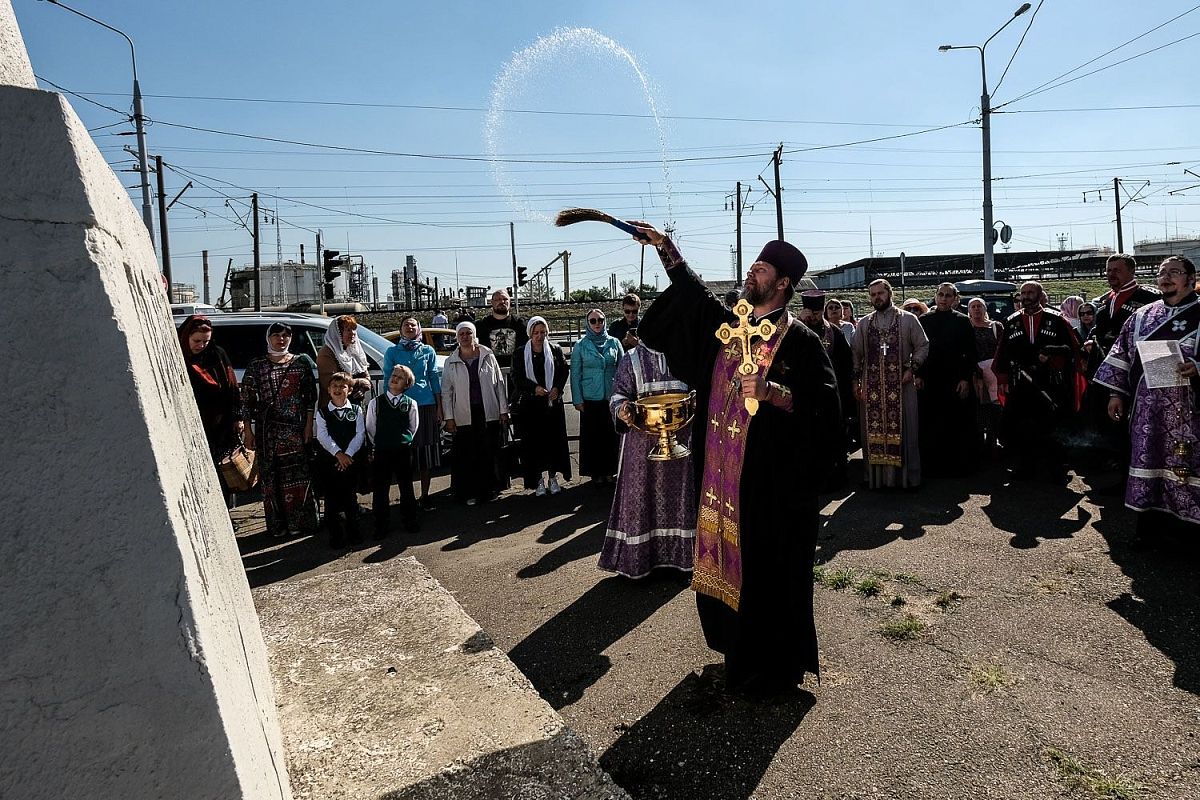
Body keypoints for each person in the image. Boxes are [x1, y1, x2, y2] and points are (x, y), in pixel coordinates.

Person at [633, 222, 841, 695]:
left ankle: (772, 668)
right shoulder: (730, 326)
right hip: (718, 482)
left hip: (768, 489)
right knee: (725, 567)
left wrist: (773, 392)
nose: (751, 272)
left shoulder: (800, 343)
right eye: (753, 265)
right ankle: (735, 652)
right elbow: (693, 294)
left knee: (766, 572)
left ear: (782, 283)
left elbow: (826, 411)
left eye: (761, 268)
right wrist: (667, 248)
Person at [1094, 256, 1200, 548]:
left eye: (1174, 272)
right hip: (1148, 414)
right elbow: (1121, 354)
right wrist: (1116, 393)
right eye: (1161, 273)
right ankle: (1151, 533)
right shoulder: (1141, 316)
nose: (1166, 277)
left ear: (1191, 279)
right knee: (1149, 465)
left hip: (1190, 413)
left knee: (1187, 470)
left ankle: (1189, 536)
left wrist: (1197, 367)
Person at [600, 342, 697, 578]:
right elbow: (618, 393)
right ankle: (640, 561)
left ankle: (682, 559)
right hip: (641, 448)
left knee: (681, 498)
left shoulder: (686, 353)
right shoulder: (632, 358)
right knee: (641, 498)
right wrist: (622, 408)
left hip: (682, 444)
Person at [992, 281, 1081, 481]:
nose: (1026, 296)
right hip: (1021, 383)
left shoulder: (1057, 319)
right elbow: (1002, 352)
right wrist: (1004, 377)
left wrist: (1052, 357)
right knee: (1021, 425)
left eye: (1030, 292)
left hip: (1051, 383)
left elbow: (1073, 349)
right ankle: (1025, 465)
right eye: (1023, 293)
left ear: (1040, 295)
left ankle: (1057, 468)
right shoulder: (1011, 320)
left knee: (1052, 425)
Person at [241, 322, 319, 537]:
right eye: (276, 335)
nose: (281, 339)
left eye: (286, 335)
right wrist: (248, 431)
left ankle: (300, 523)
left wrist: (308, 426)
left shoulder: (300, 363)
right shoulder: (257, 366)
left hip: (295, 429)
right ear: (268, 338)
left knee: (298, 476)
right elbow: (246, 401)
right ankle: (278, 525)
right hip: (268, 432)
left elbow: (310, 398)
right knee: (271, 478)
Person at [852, 280, 930, 490]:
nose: (877, 297)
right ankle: (876, 479)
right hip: (873, 387)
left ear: (890, 293)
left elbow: (923, 345)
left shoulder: (909, 319)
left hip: (902, 386)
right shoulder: (865, 323)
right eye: (873, 294)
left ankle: (907, 479)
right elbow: (856, 353)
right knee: (872, 431)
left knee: (907, 430)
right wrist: (856, 380)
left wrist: (912, 368)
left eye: (880, 293)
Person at [442, 321, 510, 506]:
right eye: (461, 334)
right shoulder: (451, 361)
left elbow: (499, 385)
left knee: (488, 452)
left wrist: (503, 410)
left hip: (487, 411)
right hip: (464, 414)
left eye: (468, 333)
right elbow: (447, 392)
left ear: (474, 335)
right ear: (457, 337)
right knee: (467, 455)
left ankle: (488, 490)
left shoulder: (488, 356)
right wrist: (449, 417)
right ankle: (469, 492)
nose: (465, 336)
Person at [177, 315, 244, 499]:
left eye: (206, 341)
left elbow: (232, 387)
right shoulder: (178, 358)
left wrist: (237, 417)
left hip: (220, 425)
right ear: (186, 337)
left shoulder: (217, 354)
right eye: (197, 341)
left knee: (222, 471)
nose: (201, 345)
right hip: (191, 424)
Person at [917, 283, 978, 476]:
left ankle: (956, 467)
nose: (943, 299)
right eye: (940, 295)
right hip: (930, 380)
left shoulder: (962, 321)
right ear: (935, 296)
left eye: (948, 296)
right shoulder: (924, 320)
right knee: (930, 424)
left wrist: (965, 379)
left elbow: (970, 353)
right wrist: (918, 374)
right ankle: (931, 467)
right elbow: (917, 349)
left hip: (954, 380)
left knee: (955, 424)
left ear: (955, 299)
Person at [383, 316, 442, 509]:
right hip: (401, 406)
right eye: (406, 324)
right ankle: (406, 498)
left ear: (419, 329)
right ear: (400, 329)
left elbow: (433, 377)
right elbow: (387, 379)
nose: (409, 327)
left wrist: (439, 406)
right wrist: (386, 405)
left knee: (425, 452)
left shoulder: (428, 350)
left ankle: (425, 495)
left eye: (413, 324)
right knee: (403, 453)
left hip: (425, 405)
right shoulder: (392, 352)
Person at [799, 290, 854, 487]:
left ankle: (834, 479)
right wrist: (801, 322)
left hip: (830, 395)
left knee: (832, 437)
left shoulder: (834, 332)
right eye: (809, 312)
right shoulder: (796, 330)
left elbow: (846, 364)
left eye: (816, 312)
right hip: (803, 395)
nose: (813, 316)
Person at [511, 316, 572, 495]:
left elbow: (563, 371)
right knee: (533, 444)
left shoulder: (555, 349)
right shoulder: (520, 352)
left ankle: (553, 477)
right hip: (530, 406)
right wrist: (534, 388)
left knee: (553, 442)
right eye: (536, 333)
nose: (539, 336)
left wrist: (557, 388)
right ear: (530, 333)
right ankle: (537, 480)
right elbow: (517, 377)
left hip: (551, 404)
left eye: (542, 332)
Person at [366, 365, 420, 539]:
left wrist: (403, 440)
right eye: (393, 375)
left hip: (402, 450)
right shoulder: (376, 403)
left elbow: (413, 427)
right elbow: (370, 428)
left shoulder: (410, 404)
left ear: (406, 384)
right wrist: (380, 443)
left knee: (406, 486)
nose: (395, 378)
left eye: (400, 377)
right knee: (381, 489)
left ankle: (410, 520)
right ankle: (380, 525)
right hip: (382, 450)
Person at [313, 372, 367, 547]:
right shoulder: (322, 412)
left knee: (350, 499)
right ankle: (335, 536)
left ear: (349, 390)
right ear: (328, 390)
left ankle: (354, 533)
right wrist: (338, 454)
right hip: (330, 462)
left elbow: (360, 434)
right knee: (331, 500)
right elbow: (322, 436)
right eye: (334, 386)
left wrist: (348, 454)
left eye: (342, 386)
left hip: (350, 461)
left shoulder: (357, 410)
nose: (338, 389)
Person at [572, 309, 623, 485]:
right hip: (590, 397)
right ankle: (596, 473)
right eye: (593, 321)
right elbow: (575, 373)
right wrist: (577, 399)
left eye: (600, 320)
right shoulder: (580, 345)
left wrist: (623, 395)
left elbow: (623, 369)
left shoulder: (614, 343)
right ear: (587, 323)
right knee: (593, 437)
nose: (597, 323)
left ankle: (611, 471)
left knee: (611, 436)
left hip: (611, 397)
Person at [967, 297, 1004, 454]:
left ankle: (993, 441)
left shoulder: (996, 327)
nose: (976, 309)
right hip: (976, 374)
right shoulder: (966, 327)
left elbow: (1003, 349)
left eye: (979, 306)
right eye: (973, 306)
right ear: (969, 310)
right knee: (980, 408)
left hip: (994, 373)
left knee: (996, 408)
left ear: (985, 309)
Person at [316, 315, 372, 408]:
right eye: (348, 330)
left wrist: (362, 388)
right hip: (334, 408)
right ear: (339, 333)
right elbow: (332, 383)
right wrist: (358, 382)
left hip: (355, 406)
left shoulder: (354, 351)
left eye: (354, 329)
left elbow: (366, 377)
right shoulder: (326, 353)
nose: (353, 333)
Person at [473, 288, 527, 372]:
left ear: (510, 302)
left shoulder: (521, 324)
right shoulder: (480, 326)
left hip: (516, 374)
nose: (502, 302)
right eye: (498, 299)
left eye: (505, 299)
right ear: (492, 302)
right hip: (490, 374)